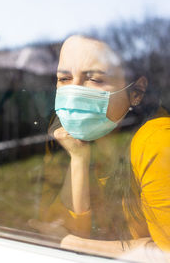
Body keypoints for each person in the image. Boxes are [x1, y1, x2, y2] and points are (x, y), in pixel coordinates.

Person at [28, 35, 170, 258]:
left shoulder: (159, 141)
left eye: (94, 80)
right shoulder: (64, 135)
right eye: (64, 78)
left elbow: (166, 253)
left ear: (136, 92)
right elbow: (57, 227)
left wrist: (74, 244)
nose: (74, 93)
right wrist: (78, 159)